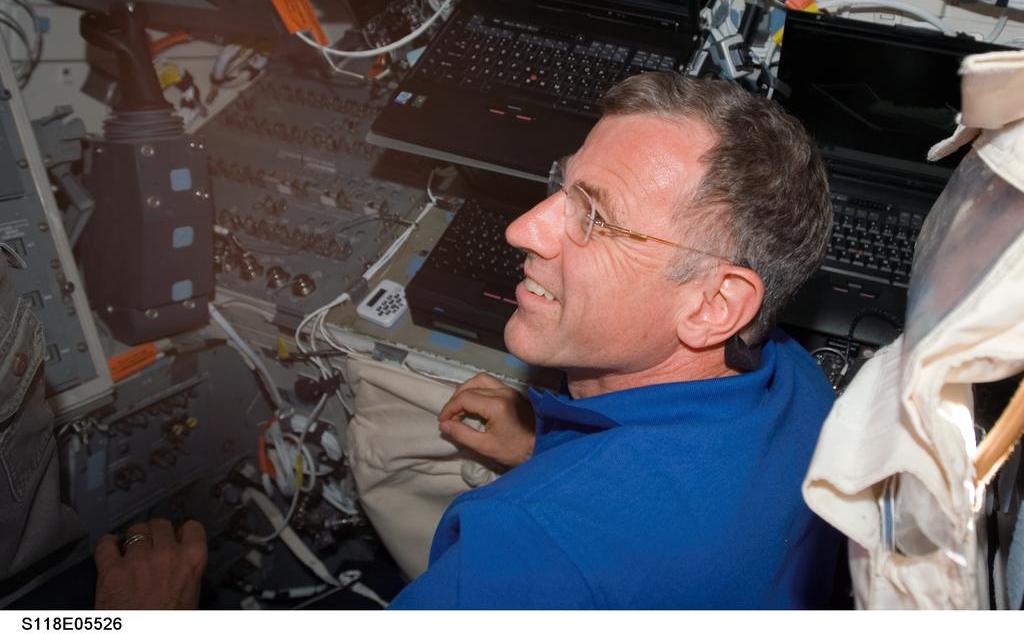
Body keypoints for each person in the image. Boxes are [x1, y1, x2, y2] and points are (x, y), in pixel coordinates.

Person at [96, 72, 839, 609]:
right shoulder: (799, 381)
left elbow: (586, 542)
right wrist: (551, 449)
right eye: (561, 185)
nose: (524, 228)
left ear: (716, 304)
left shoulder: (527, 547)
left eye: (595, 217)